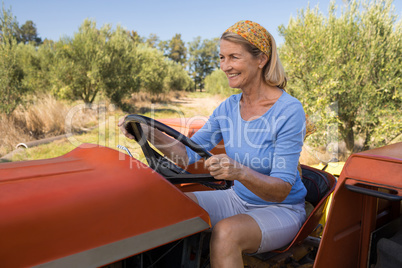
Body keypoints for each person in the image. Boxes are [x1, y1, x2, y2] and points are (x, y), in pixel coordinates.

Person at [119, 20, 307, 268]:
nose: (225, 66)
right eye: (221, 57)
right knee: (167, 204)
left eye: (233, 57)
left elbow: (282, 188)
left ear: (261, 59)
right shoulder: (228, 107)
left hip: (281, 209)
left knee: (226, 234)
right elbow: (186, 155)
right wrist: (146, 131)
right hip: (237, 199)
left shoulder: (289, 110)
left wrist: (239, 171)